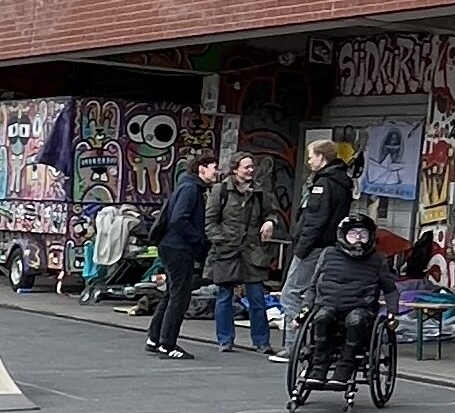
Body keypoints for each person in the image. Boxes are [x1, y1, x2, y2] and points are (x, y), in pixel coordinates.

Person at [275, 140, 353, 361]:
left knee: (291, 293)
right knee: (317, 294)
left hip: (314, 247)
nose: (308, 161)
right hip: (331, 247)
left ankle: (294, 345)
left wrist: (300, 249)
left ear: (322, 157)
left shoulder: (323, 185)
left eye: (311, 157)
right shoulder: (343, 182)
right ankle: (316, 342)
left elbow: (315, 220)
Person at [305, 213, 401, 384]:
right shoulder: (328, 254)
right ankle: (318, 366)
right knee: (321, 317)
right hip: (328, 305)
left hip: (361, 309)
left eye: (363, 234)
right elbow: (312, 286)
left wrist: (393, 313)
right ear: (344, 236)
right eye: (353, 234)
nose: (358, 239)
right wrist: (305, 308)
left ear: (370, 237)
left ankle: (345, 367)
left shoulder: (378, 260)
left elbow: (390, 290)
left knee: (355, 320)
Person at [146, 156, 215, 360]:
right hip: (178, 248)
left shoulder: (188, 186)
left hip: (170, 246)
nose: (216, 172)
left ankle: (155, 337)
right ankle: (167, 344)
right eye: (214, 168)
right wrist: (199, 240)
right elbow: (179, 219)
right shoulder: (191, 189)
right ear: (201, 169)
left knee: (171, 293)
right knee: (180, 296)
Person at [206, 151, 274, 353]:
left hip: (253, 252)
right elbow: (210, 222)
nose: (251, 170)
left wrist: (270, 222)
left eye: (252, 166)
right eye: (247, 167)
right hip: (227, 251)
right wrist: (222, 241)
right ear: (235, 169)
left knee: (257, 298)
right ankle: (225, 339)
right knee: (225, 297)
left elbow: (270, 212)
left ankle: (262, 342)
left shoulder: (259, 191)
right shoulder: (221, 190)